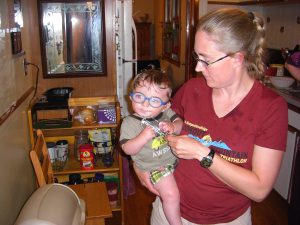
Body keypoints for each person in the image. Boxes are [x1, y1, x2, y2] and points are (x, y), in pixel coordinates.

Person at [134, 8, 288, 225]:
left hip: (226, 221)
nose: (198, 67)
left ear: (237, 59)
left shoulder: (270, 107)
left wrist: (201, 152)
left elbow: (259, 189)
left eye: (206, 60)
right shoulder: (191, 90)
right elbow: (149, 127)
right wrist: (139, 167)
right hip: (168, 212)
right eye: (197, 57)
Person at [120, 69, 184, 225]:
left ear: (165, 106)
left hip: (176, 161)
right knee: (171, 194)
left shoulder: (167, 112)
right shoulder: (130, 122)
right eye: (139, 96)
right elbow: (127, 149)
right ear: (131, 97)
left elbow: (180, 124)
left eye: (154, 100)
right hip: (154, 167)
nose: (145, 104)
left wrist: (173, 127)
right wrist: (143, 137)